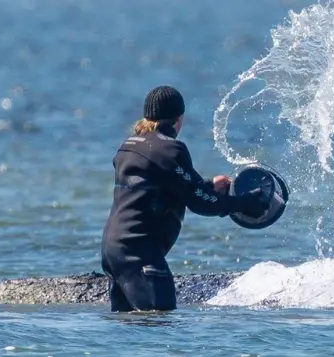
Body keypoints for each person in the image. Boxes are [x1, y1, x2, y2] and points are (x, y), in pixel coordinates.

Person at [100, 85, 268, 312]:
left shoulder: (128, 147)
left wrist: (208, 185)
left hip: (112, 250)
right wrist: (243, 203)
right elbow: (201, 203)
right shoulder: (170, 149)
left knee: (128, 326)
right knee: (160, 321)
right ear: (179, 118)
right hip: (140, 253)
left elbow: (160, 188)